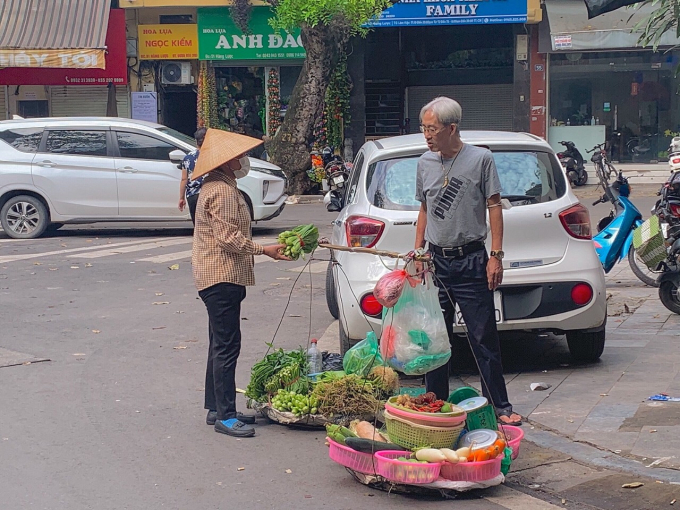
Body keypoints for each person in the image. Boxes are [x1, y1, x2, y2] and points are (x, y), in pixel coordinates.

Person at [414, 96, 522, 426]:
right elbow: (424, 209)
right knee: (435, 338)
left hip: (472, 260)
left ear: (452, 128)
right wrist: (418, 251)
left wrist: (496, 256)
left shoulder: (480, 159)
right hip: (437, 263)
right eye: (423, 128)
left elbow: (494, 207)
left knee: (483, 338)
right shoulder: (424, 163)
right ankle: (435, 404)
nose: (426, 136)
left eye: (431, 129)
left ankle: (499, 406)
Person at [191, 128, 290, 438]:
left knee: (219, 344)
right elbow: (230, 238)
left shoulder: (217, 185)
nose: (245, 159)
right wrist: (265, 250)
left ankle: (216, 408)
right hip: (221, 276)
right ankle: (226, 416)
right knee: (227, 346)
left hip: (217, 276)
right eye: (241, 155)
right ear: (228, 160)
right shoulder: (220, 191)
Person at [179, 127, 207, 225]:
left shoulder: (188, 157)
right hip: (209, 193)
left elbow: (184, 179)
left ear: (196, 141)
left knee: (198, 226)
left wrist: (181, 198)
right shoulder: (212, 156)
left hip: (193, 195)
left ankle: (199, 240)